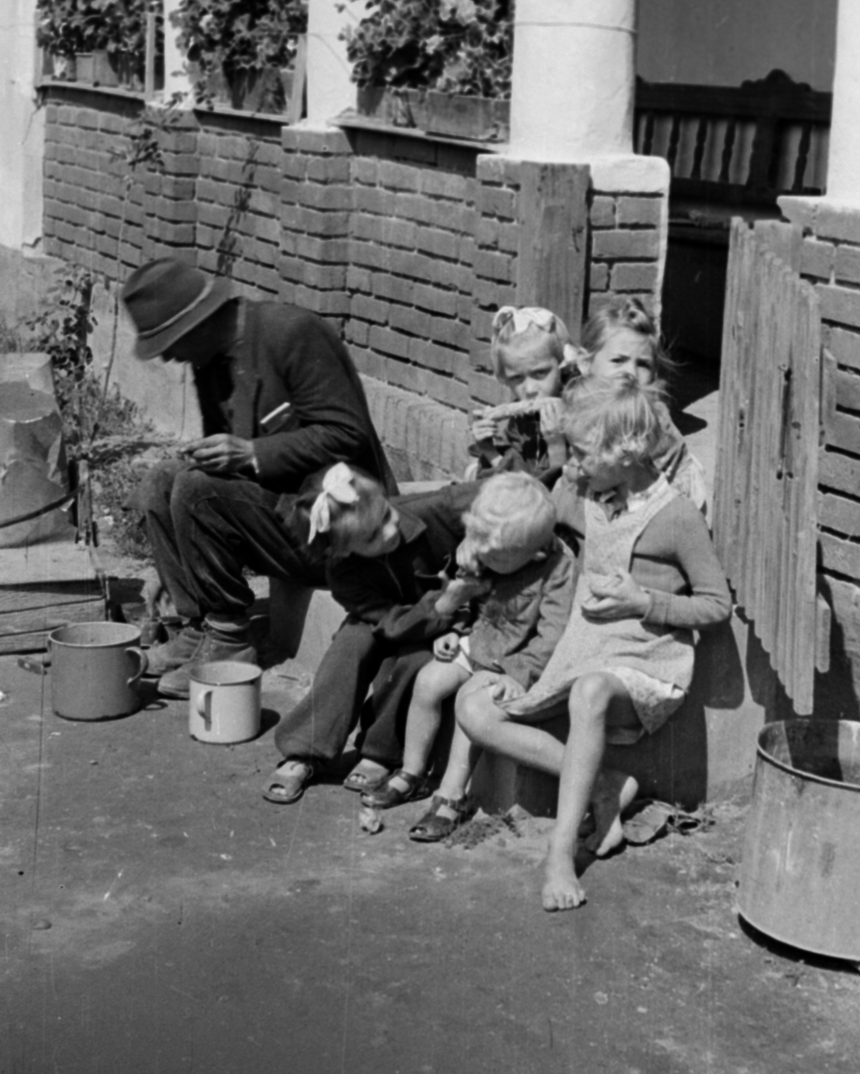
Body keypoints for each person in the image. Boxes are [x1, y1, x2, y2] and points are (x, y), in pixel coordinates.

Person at [457, 378, 731, 913]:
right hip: (580, 651)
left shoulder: (675, 516)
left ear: (622, 453)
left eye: (581, 454)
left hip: (644, 663)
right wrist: (477, 535)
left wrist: (646, 601)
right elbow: (525, 511)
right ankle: (605, 783)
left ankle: (560, 853)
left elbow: (716, 605)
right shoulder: (585, 493)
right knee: (474, 709)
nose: (572, 465)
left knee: (588, 692)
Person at [120, 257, 395, 694]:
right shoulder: (210, 360)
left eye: (170, 342)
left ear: (198, 322)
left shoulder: (292, 333)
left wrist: (252, 452)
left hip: (342, 529)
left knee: (197, 487)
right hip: (280, 514)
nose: (169, 356)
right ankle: (198, 626)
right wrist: (179, 566)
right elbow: (225, 478)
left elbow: (348, 434)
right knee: (162, 480)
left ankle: (229, 640)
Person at [362, 472, 575, 843]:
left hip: (512, 661)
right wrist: (454, 629)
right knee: (428, 681)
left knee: (467, 700)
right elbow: (467, 600)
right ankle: (413, 771)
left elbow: (552, 636)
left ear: (533, 552)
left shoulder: (556, 569)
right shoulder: (486, 545)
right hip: (478, 642)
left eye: (496, 558)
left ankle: (452, 794)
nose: (484, 559)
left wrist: (517, 674)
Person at [262, 466, 479, 804]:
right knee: (350, 643)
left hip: (448, 620)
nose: (391, 529)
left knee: (415, 661)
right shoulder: (343, 574)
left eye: (387, 514)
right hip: (397, 618)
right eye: (373, 536)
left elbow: (502, 492)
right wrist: (439, 606)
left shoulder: (434, 509)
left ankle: (380, 751)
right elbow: (390, 623)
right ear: (343, 550)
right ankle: (305, 749)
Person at [579, 295, 708, 511]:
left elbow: (625, 488)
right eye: (618, 360)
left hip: (658, 505)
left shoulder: (650, 422)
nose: (630, 372)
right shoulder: (580, 404)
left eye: (643, 364)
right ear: (585, 363)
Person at [467, 305, 578, 481]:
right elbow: (517, 481)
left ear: (562, 365)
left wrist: (556, 447)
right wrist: (489, 451)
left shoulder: (579, 415)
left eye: (540, 373)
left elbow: (559, 490)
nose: (530, 390)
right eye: (517, 378)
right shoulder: (521, 422)